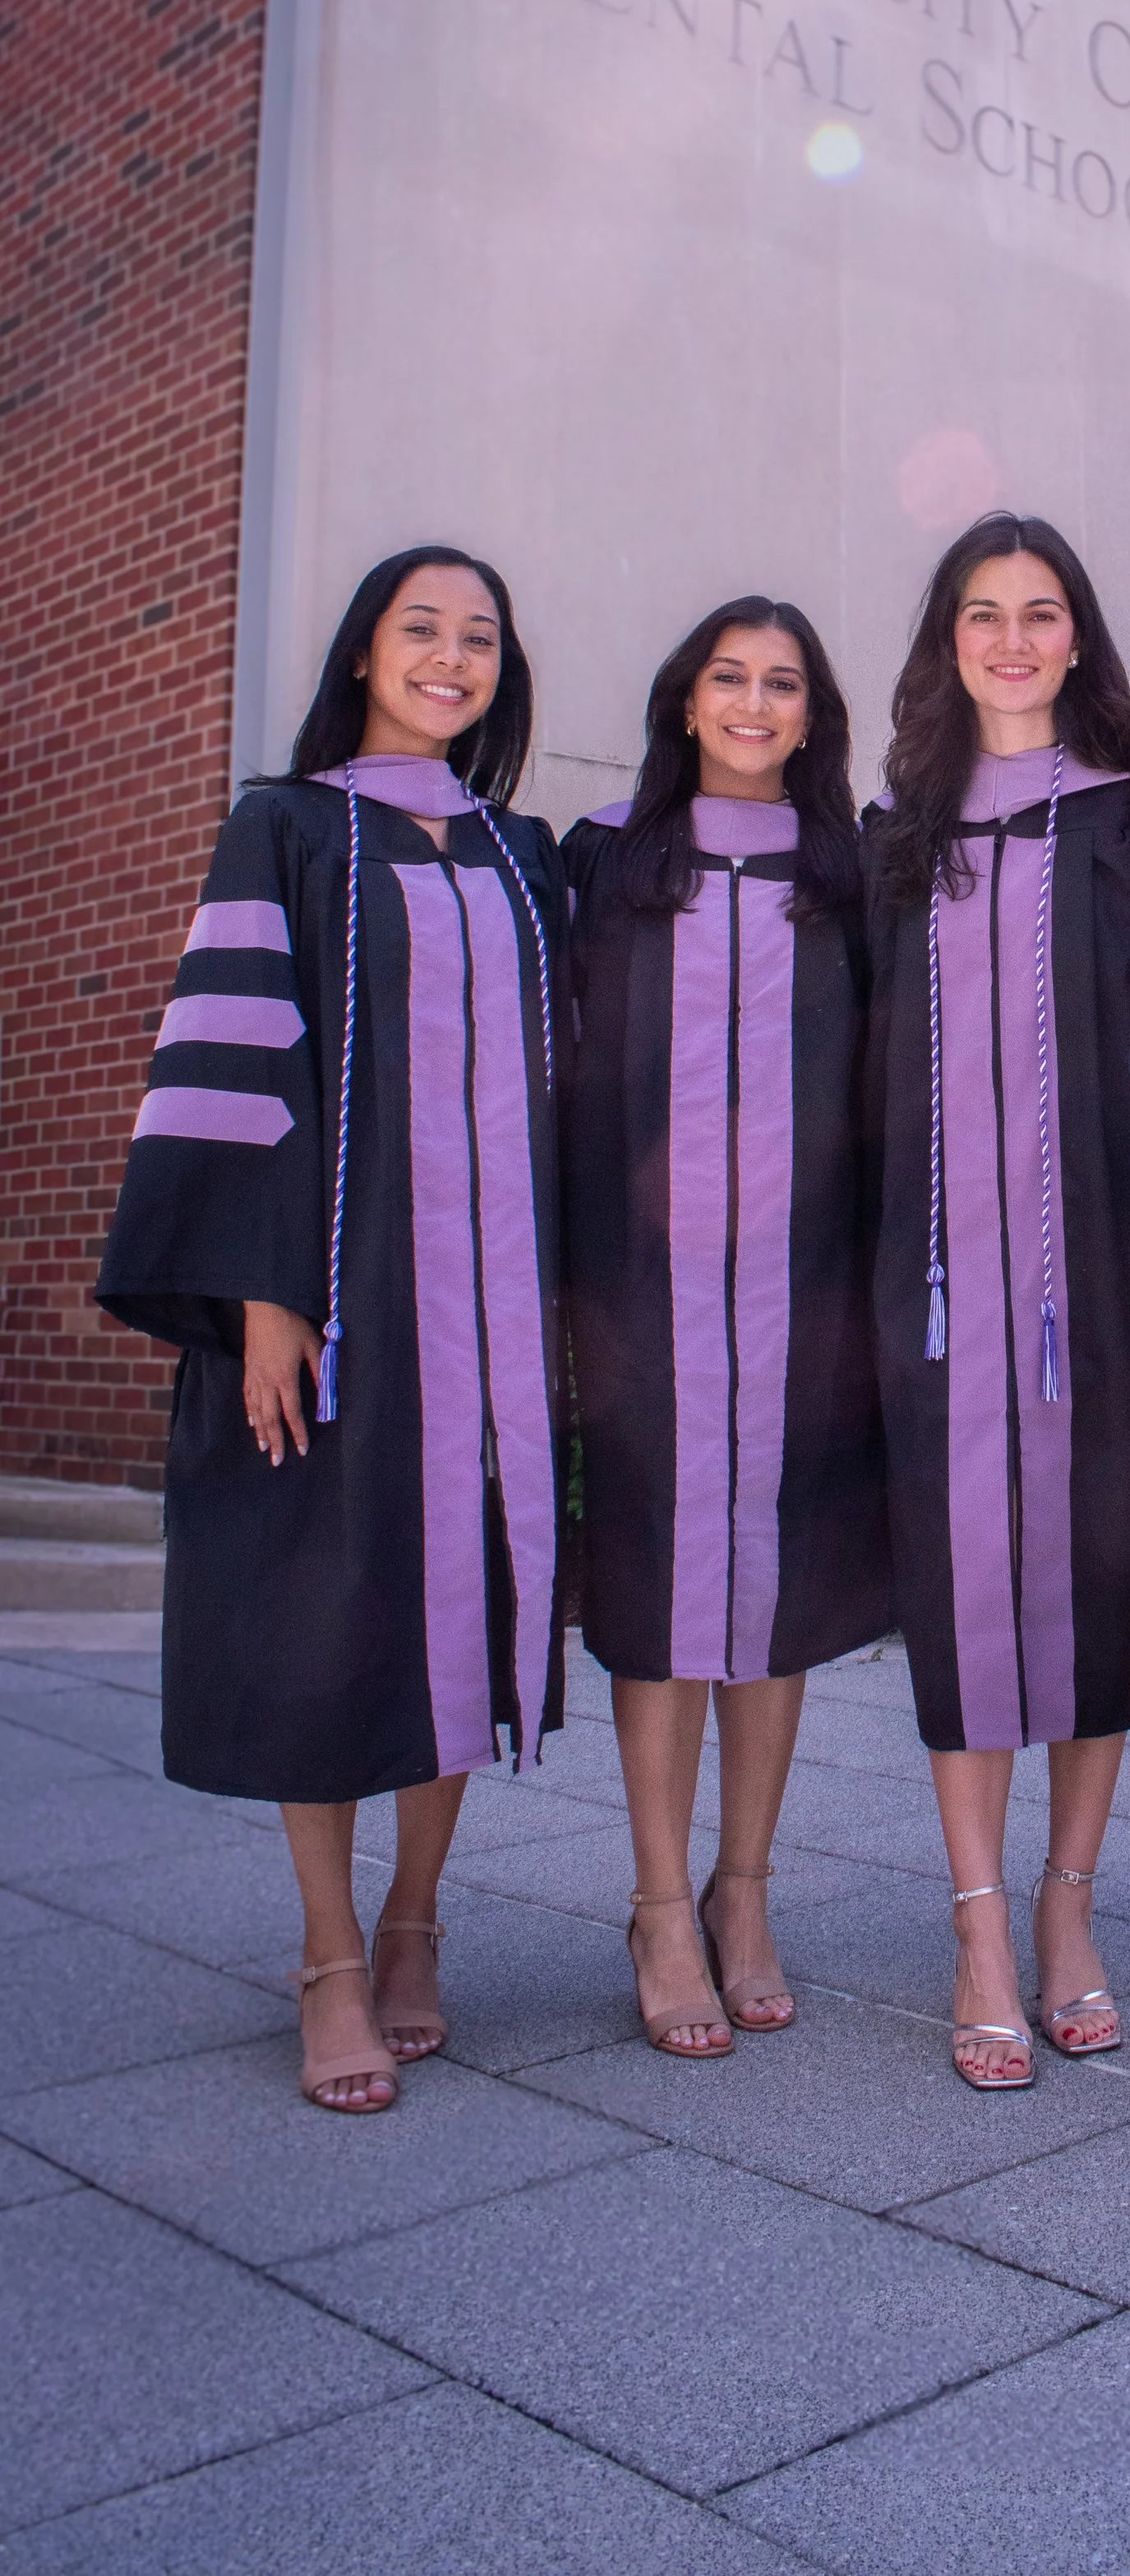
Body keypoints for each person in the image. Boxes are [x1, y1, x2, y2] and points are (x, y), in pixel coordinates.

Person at [97, 547, 567, 2114]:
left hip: (497, 1320)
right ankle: (328, 1953)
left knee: (463, 1616)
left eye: (478, 637)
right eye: (419, 630)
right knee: (318, 1611)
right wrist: (264, 1295)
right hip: (347, 1306)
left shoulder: (525, 857)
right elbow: (238, 1061)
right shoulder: (287, 823)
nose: (449, 657)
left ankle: (418, 1917)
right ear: (366, 652)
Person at [864, 512, 1130, 2089]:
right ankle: (976, 1925)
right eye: (982, 613)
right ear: (947, 638)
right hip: (936, 1291)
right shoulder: (895, 834)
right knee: (963, 1600)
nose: (1012, 639)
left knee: (1099, 1580)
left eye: (1040, 612)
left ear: (1078, 633)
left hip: (1116, 1271)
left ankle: (1068, 1908)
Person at [562, 600, 889, 2057]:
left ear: (813, 715)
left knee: (776, 1590)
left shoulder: (851, 878)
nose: (755, 702)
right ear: (683, 701)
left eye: (783, 683)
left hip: (803, 1293)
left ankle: (741, 1889)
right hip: (645, 1299)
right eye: (728, 678)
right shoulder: (611, 869)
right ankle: (652, 1901)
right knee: (658, 1590)